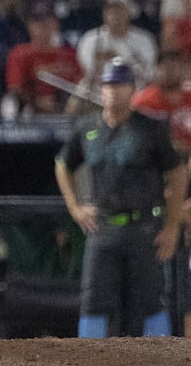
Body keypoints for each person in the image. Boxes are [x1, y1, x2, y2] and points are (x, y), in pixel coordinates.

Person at [55, 58, 188, 338]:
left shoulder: (151, 129)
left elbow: (177, 172)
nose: (113, 91)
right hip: (103, 227)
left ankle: (160, 359)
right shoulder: (87, 128)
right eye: (108, 84)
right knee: (93, 301)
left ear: (132, 90)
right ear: (101, 89)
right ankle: (88, 360)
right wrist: (75, 207)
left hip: (145, 228)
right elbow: (63, 164)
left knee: (152, 301)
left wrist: (171, 225)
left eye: (120, 84)